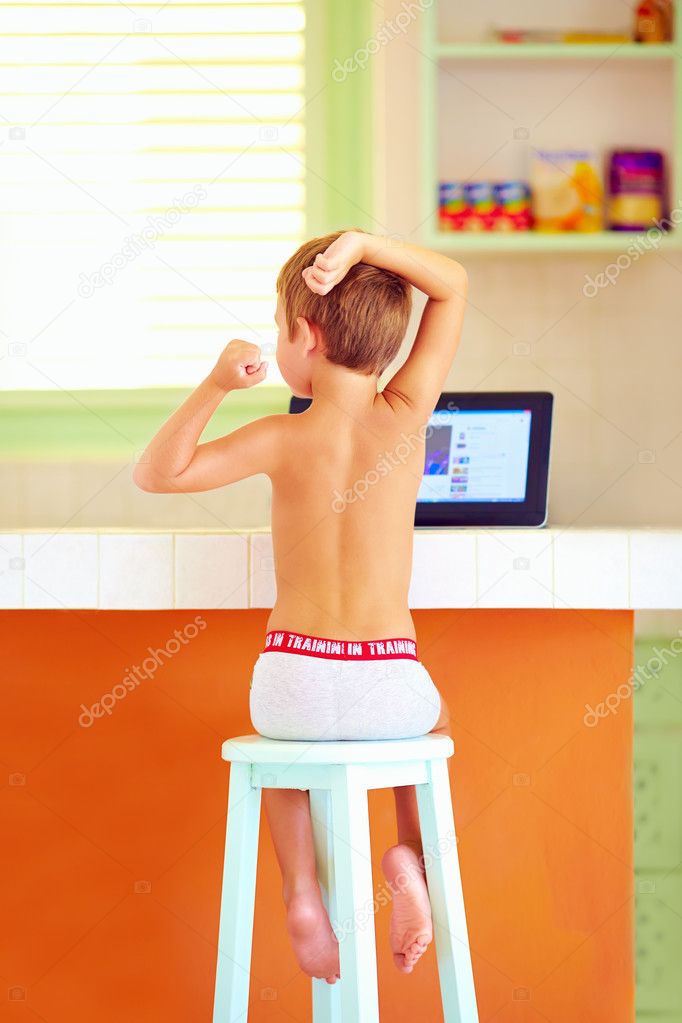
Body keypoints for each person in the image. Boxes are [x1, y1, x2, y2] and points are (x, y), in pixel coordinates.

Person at [134, 229, 468, 984]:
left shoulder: (282, 436)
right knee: (435, 721)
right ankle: (408, 853)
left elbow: (158, 473)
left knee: (285, 753)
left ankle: (301, 892)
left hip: (296, 682)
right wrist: (365, 245)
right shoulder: (405, 415)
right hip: (392, 687)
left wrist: (219, 382)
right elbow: (451, 283)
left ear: (302, 335)